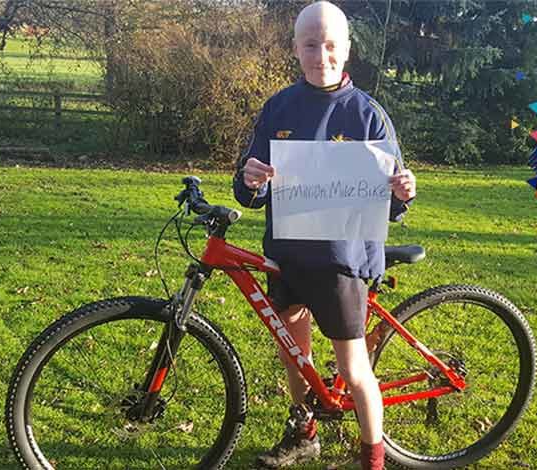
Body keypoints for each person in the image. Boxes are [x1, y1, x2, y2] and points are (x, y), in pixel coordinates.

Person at [233, 2, 416, 469]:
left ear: (347, 50)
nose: (321, 55)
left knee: (354, 371)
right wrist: (250, 179)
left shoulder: (367, 115)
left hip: (341, 262)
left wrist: (402, 192)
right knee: (296, 357)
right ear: (296, 48)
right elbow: (250, 190)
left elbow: (391, 203)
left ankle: (372, 459)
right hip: (288, 254)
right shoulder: (279, 108)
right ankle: (303, 433)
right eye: (311, 44)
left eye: (331, 45)